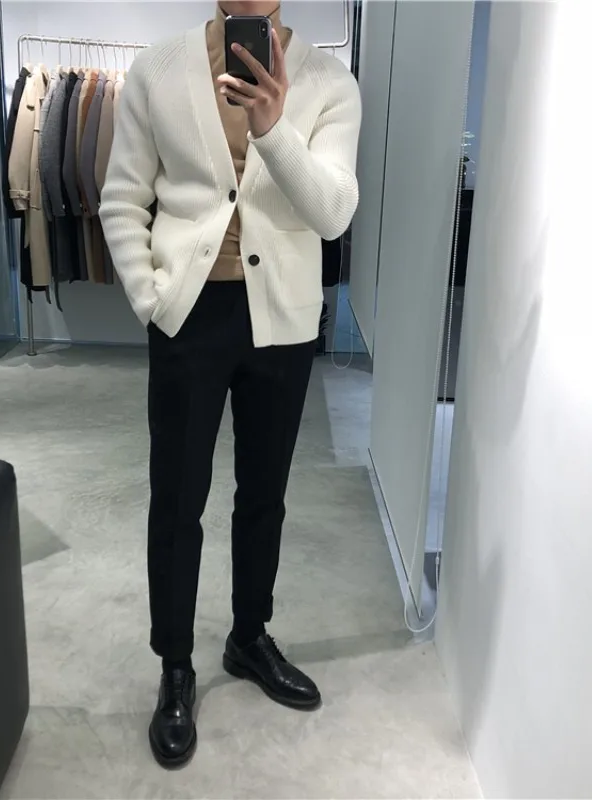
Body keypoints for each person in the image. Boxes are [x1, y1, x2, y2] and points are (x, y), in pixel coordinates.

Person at [100, 0, 361, 768]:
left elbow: (333, 213)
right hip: (189, 315)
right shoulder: (157, 71)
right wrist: (151, 299)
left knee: (264, 494)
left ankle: (249, 637)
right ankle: (175, 664)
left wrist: (274, 126)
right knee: (177, 498)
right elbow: (122, 195)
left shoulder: (329, 83)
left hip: (284, 320)